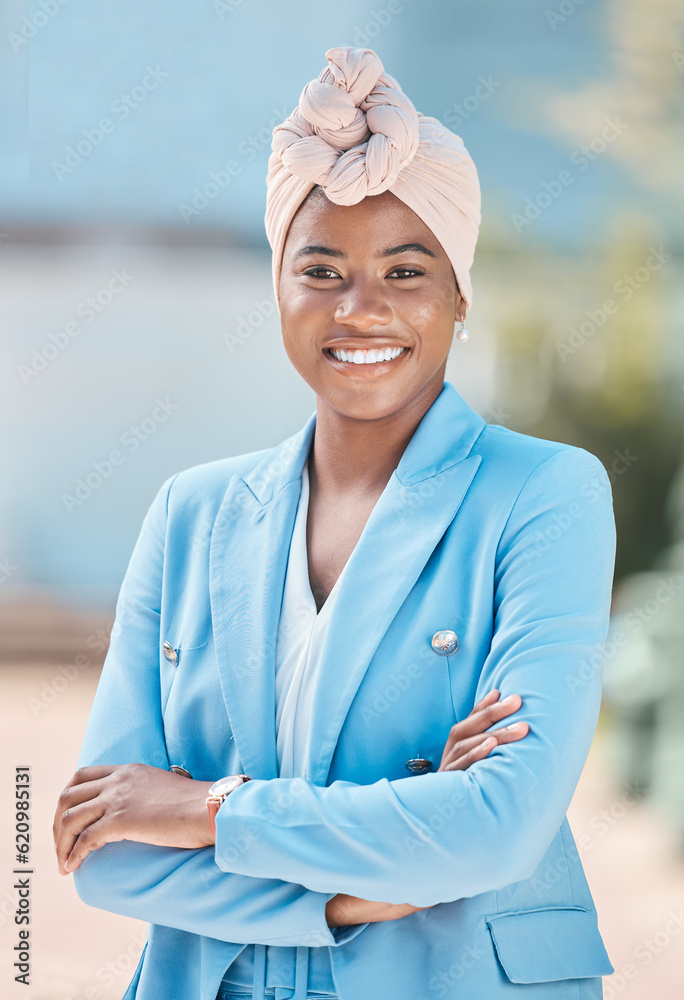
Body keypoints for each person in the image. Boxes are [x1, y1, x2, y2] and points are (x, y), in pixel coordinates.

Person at [53, 46, 617, 1000]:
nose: (364, 308)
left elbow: (499, 826)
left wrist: (206, 807)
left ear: (459, 294)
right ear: (277, 287)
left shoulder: (546, 495)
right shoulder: (191, 513)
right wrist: (353, 895)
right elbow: (104, 851)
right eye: (321, 268)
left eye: (407, 269)